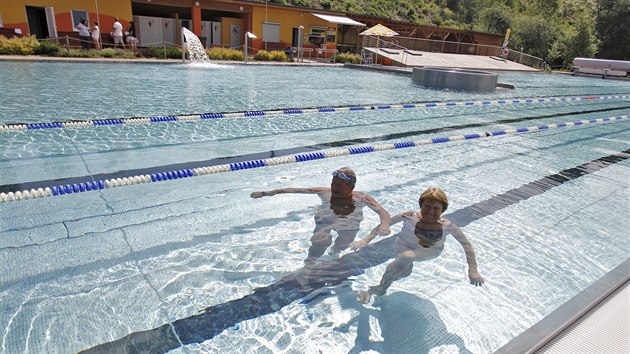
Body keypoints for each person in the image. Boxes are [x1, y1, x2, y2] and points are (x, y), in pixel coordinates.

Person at [352, 187, 484, 304]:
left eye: (436, 208)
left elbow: (466, 244)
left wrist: (473, 270)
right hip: (404, 244)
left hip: (430, 249)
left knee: (406, 257)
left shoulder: (446, 225)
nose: (431, 211)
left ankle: (378, 289)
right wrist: (365, 240)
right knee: (402, 270)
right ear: (421, 205)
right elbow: (385, 223)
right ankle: (381, 288)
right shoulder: (410, 216)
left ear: (443, 209)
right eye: (427, 206)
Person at [251, 167, 391, 264]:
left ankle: (335, 252)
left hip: (349, 223)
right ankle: (310, 261)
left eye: (339, 185)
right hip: (325, 218)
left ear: (351, 187)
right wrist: (267, 193)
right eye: (333, 183)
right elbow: (293, 190)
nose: (334, 187)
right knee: (319, 241)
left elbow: (382, 212)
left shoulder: (361, 198)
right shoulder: (324, 192)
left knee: (343, 244)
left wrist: (384, 224)